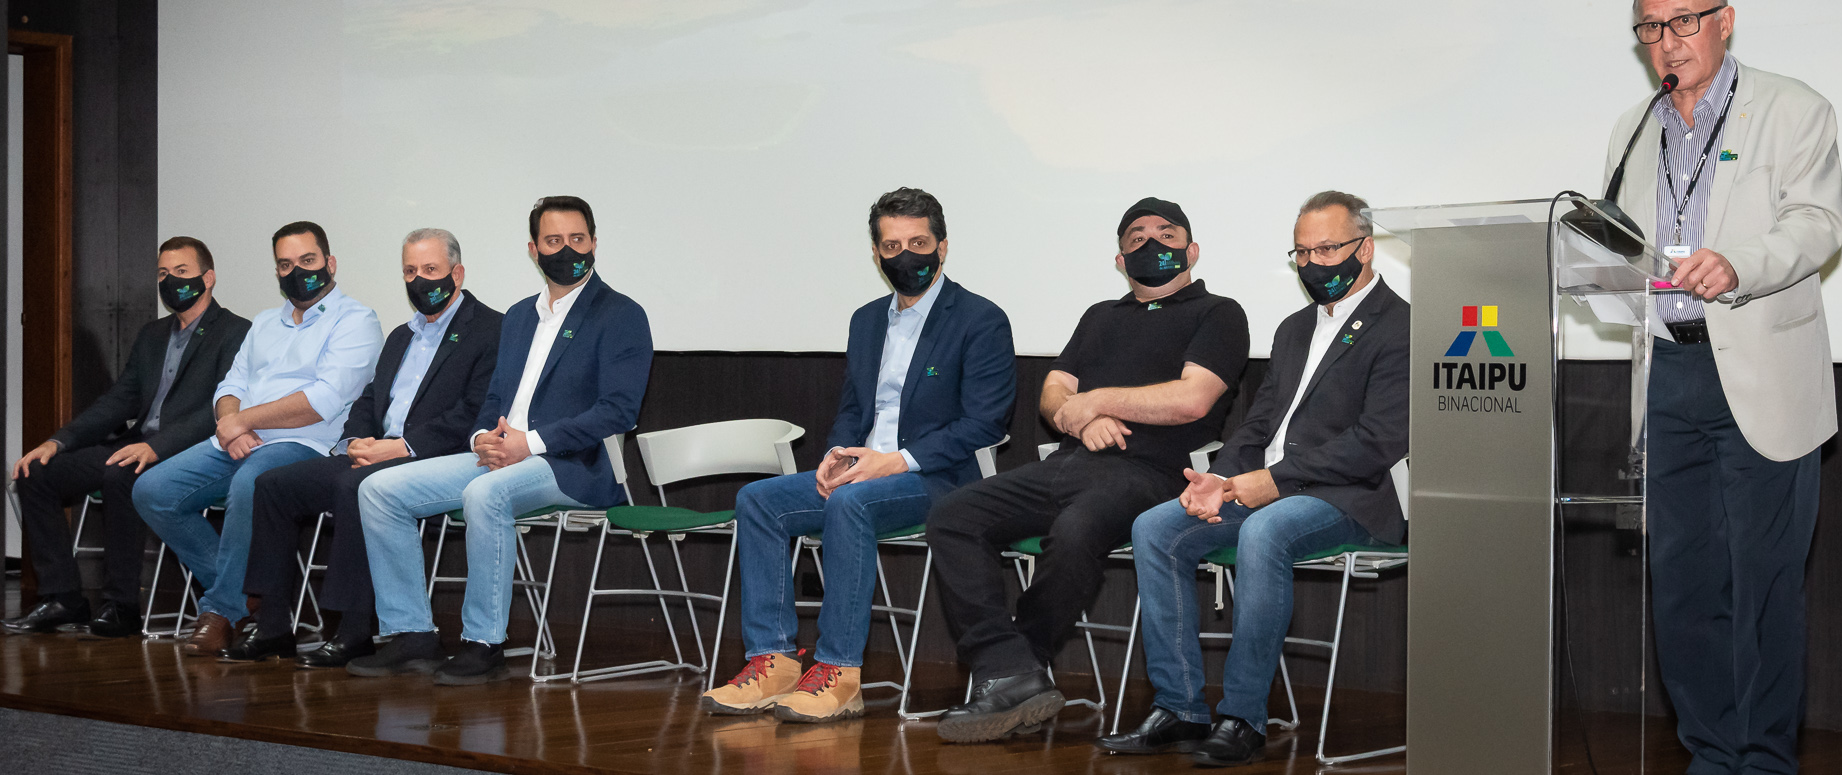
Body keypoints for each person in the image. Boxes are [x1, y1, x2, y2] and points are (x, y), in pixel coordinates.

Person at [1609, 0, 1842, 775]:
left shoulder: (1793, 107)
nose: (1665, 42)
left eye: (1682, 22)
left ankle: (1764, 757)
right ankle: (1710, 753)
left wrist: (1738, 263)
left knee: (1765, 587)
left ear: (1725, 19)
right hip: (1669, 375)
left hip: (1760, 370)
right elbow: (1618, 248)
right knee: (1681, 586)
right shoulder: (1633, 129)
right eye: (1649, 28)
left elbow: (1817, 225)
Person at [1101, 191, 1409, 767]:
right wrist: (1217, 479)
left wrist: (1271, 480)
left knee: (1263, 532)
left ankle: (1243, 715)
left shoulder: (1403, 325)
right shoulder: (1294, 328)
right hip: (1263, 486)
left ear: (1365, 249)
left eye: (1328, 249)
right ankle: (1179, 708)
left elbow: (1376, 441)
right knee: (1155, 527)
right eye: (1302, 253)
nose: (1315, 264)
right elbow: (1260, 420)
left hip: (1346, 495)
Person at [927, 196, 1250, 744]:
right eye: (1136, 236)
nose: (1152, 243)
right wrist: (1076, 421)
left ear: (1192, 250)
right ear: (1121, 260)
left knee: (1075, 532)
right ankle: (1008, 667)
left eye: (1166, 233)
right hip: (1072, 463)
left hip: (1153, 473)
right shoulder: (1101, 315)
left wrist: (1099, 403)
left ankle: (1020, 665)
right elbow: (1055, 392)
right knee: (953, 514)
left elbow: (1194, 399)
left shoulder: (1218, 312)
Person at [701, 187, 1017, 723]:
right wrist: (836, 455)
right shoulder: (867, 320)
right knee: (758, 500)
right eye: (892, 246)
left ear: (942, 247)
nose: (906, 255)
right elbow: (853, 407)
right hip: (863, 472)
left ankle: (838, 673)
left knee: (853, 505)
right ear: (876, 255)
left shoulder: (980, 319)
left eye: (918, 242)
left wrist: (895, 461)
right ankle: (772, 661)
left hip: (940, 480)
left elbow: (985, 423)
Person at [349, 196, 653, 686]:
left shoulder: (620, 314)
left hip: (572, 464)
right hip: (500, 454)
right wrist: (481, 439)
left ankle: (483, 642)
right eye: (554, 241)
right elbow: (492, 398)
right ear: (533, 250)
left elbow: (618, 411)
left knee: (483, 494)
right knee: (380, 490)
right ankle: (412, 635)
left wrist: (527, 444)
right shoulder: (517, 317)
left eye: (577, 239)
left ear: (594, 243)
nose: (567, 249)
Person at [223, 228, 504, 666]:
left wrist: (401, 448)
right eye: (410, 271)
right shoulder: (401, 335)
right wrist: (353, 442)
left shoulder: (490, 329)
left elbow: (474, 411)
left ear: (457, 273)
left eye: (431, 270)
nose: (420, 281)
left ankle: (355, 630)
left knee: (355, 488)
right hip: (375, 451)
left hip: (431, 457)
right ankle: (274, 625)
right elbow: (369, 399)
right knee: (273, 485)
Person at [133, 221, 382, 656]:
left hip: (304, 443)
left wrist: (242, 421)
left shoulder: (357, 319)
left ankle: (222, 611)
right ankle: (254, 591)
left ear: (330, 263)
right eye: (285, 265)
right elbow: (231, 383)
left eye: (307, 261)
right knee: (153, 490)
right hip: (238, 439)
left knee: (251, 483)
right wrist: (232, 423)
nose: (296, 272)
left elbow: (324, 399)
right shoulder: (266, 322)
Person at [5, 238, 250, 637]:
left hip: (186, 452)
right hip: (136, 442)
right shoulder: (153, 335)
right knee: (36, 473)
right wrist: (58, 441)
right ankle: (63, 597)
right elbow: (119, 401)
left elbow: (218, 409)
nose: (171, 281)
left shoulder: (236, 332)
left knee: (121, 475)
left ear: (209, 278)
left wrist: (156, 447)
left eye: (182, 272)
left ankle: (121, 605)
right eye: (162, 274)